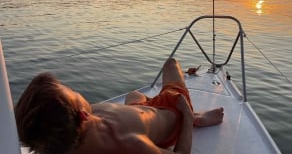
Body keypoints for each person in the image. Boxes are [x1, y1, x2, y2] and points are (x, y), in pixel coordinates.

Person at [15, 58, 224, 154]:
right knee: (171, 63)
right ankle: (196, 117)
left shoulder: (61, 139)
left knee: (134, 94)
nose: (76, 91)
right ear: (83, 116)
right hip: (172, 110)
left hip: (140, 109)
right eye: (74, 92)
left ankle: (146, 105)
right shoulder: (128, 143)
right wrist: (187, 117)